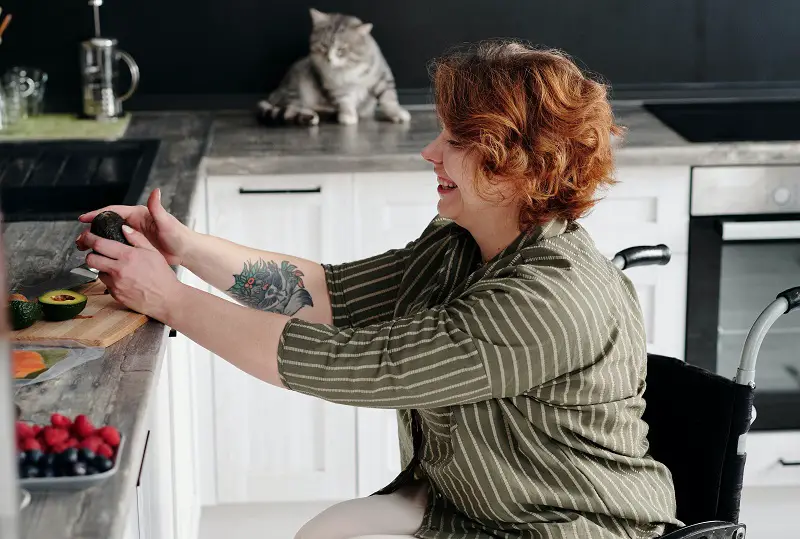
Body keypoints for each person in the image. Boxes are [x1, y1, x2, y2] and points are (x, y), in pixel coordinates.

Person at [76, 40, 681, 539]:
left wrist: (171, 299)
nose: (428, 151)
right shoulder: (460, 241)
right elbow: (327, 295)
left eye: (454, 140)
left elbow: (351, 365)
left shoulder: (546, 300)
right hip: (476, 502)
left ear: (515, 162)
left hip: (560, 528)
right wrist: (184, 247)